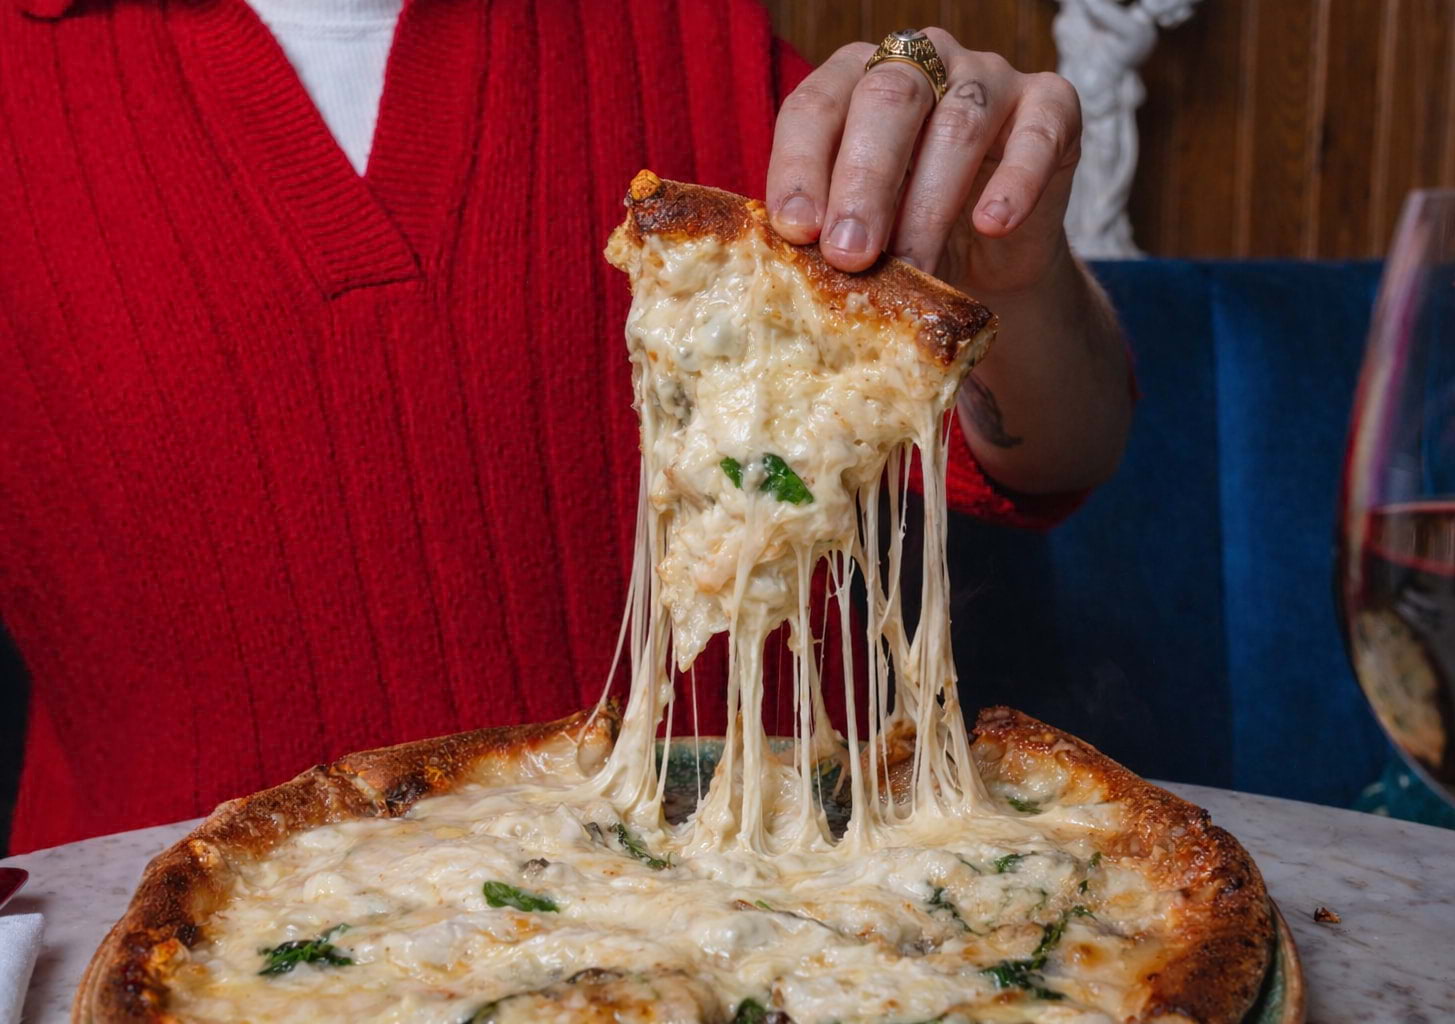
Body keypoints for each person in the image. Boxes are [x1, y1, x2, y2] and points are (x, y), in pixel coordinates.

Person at [0, 0, 1132, 854]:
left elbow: (1059, 452)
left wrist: (1013, 282)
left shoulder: (679, 26)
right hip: (183, 937)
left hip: (784, 906)